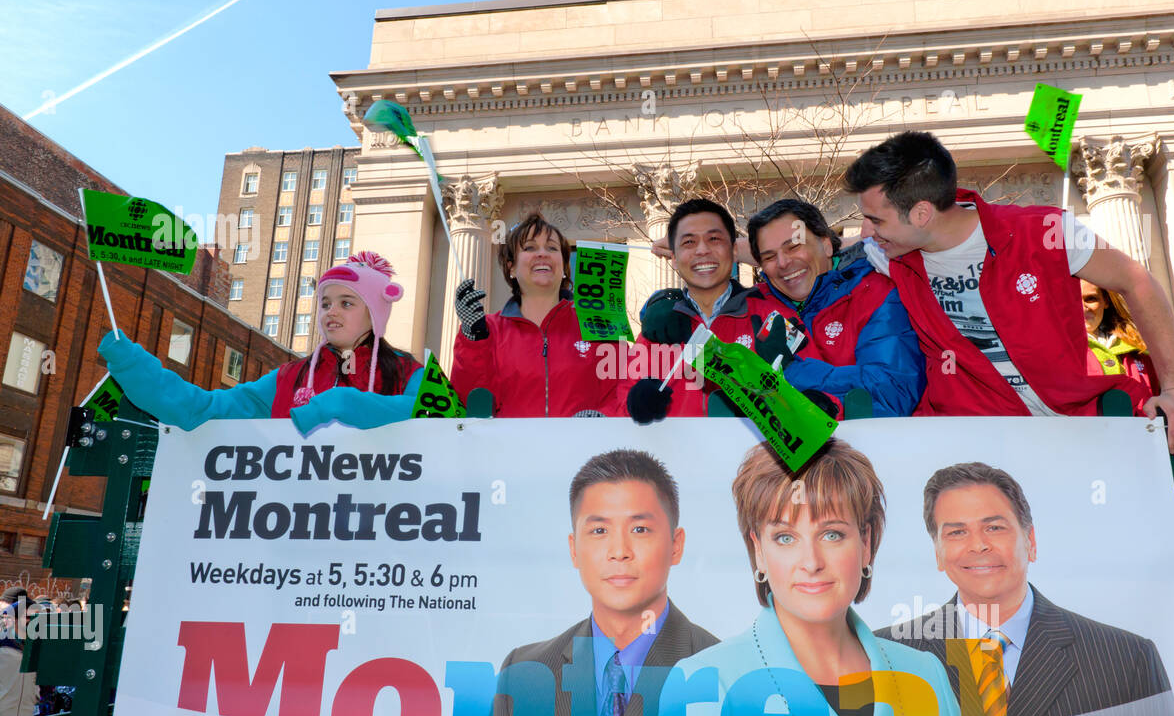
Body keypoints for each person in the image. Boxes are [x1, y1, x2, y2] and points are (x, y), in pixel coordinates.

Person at [843, 130, 1174, 458]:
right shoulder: (887, 252)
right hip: (970, 447)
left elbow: (1137, 282)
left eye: (877, 219)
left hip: (1076, 433)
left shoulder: (1045, 230)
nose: (868, 231)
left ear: (922, 213)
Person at [667, 439, 960, 716]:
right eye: (785, 538)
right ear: (758, 550)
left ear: (865, 541)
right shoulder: (700, 684)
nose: (811, 562)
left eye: (832, 534)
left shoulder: (927, 675)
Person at [877, 462, 1174, 716]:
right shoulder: (882, 657)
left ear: (1030, 542)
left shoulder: (1126, 659)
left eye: (994, 527)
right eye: (957, 532)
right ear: (938, 552)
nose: (978, 545)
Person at [491, 449, 718, 716]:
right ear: (574, 549)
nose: (619, 551)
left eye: (640, 529)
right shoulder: (523, 674)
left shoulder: (723, 671)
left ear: (676, 546)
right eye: (599, 530)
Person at [98, 252, 423, 434]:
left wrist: (342, 404)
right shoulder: (288, 378)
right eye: (325, 303)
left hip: (379, 529)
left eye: (347, 303)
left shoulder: (408, 373)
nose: (331, 312)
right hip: (293, 525)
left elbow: (439, 420)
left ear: (375, 314)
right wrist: (130, 364)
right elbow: (203, 410)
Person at [622, 198, 836, 422]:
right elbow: (620, 400)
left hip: (758, 455)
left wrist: (816, 402)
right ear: (673, 258)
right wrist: (634, 406)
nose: (702, 250)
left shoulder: (773, 318)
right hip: (679, 455)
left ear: (734, 250)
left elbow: (823, 390)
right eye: (689, 243)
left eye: (714, 239)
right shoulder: (660, 327)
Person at [747, 198, 925, 416]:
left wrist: (793, 372)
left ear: (826, 244)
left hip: (864, 446)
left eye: (794, 247)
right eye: (769, 257)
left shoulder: (873, 294)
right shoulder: (752, 306)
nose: (783, 263)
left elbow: (891, 393)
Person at [451, 213, 618, 417]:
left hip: (586, 446)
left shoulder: (598, 322)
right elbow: (470, 403)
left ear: (565, 267)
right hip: (509, 447)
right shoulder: (487, 330)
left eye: (552, 248)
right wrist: (472, 340)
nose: (542, 254)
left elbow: (621, 391)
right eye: (530, 247)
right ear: (511, 267)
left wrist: (604, 418)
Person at [1082, 281, 1174, 426]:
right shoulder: (1061, 357)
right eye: (1074, 299)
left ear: (1106, 302)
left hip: (1146, 445)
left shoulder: (1140, 352)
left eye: (1091, 299)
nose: (1083, 307)